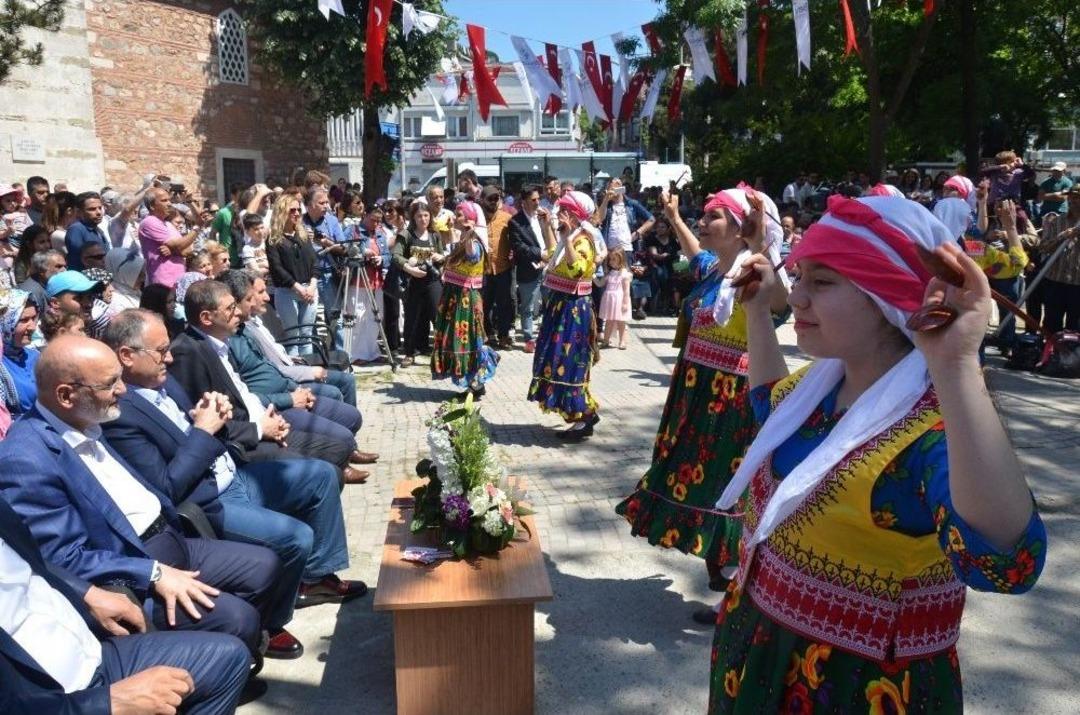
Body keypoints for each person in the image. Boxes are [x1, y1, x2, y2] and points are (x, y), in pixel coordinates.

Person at [707, 196, 1046, 712]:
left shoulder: (929, 432)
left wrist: (955, 366)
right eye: (799, 277)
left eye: (822, 283)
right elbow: (768, 414)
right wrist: (757, 310)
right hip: (757, 661)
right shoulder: (819, 391)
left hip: (854, 690)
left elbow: (1008, 564)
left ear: (885, 296)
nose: (796, 298)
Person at [101, 309, 366, 658]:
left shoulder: (162, 382)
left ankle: (315, 578)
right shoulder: (122, 415)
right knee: (294, 537)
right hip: (209, 502)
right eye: (160, 350)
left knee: (320, 475)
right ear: (127, 356)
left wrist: (214, 412)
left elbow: (198, 428)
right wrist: (202, 429)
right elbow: (166, 487)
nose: (169, 357)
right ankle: (269, 623)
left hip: (233, 472)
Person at [0, 335, 284, 656]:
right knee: (238, 619)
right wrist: (153, 574)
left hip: (170, 538)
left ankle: (228, 653)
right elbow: (62, 558)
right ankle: (205, 668)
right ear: (66, 395)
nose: (123, 390)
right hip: (132, 569)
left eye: (120, 377)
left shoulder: (87, 418)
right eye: (110, 383)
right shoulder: (25, 461)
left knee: (265, 566)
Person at [615, 187, 790, 619]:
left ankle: (735, 591)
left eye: (712, 216)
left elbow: (783, 301)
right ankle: (723, 572)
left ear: (739, 228)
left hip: (731, 404)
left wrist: (762, 242)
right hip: (694, 394)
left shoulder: (757, 273)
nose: (702, 221)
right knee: (698, 480)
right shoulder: (715, 270)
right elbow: (696, 254)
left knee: (726, 489)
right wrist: (672, 217)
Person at [0, 492, 253, 715]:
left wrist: (87, 593)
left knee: (230, 658)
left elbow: (36, 562)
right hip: (60, 698)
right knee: (236, 615)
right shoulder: (24, 457)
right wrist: (109, 703)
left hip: (91, 650)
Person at [168, 280, 366, 483]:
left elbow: (244, 391)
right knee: (325, 475)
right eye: (230, 308)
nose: (237, 313)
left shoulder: (219, 342)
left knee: (339, 450)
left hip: (265, 418)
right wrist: (261, 428)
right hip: (245, 444)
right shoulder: (188, 352)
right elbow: (210, 421)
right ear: (206, 318)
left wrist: (268, 416)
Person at [528, 191, 600, 439]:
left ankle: (582, 417)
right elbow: (551, 254)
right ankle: (584, 412)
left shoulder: (584, 240)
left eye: (563, 211)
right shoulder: (571, 237)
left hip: (573, 311)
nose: (559, 214)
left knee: (566, 363)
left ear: (573, 214)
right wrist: (548, 226)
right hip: (560, 307)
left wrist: (567, 236)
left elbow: (576, 268)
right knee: (554, 359)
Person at [242, 273, 359, 407]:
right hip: (285, 377)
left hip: (292, 364)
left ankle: (348, 421)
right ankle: (342, 421)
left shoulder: (257, 319)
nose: (268, 297)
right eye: (261, 292)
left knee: (348, 379)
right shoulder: (247, 330)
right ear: (246, 297)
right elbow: (272, 369)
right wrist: (309, 372)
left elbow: (313, 267)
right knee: (334, 391)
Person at [431, 201, 498, 397]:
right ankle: (475, 383)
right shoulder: (463, 241)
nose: (454, 217)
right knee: (457, 340)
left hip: (465, 300)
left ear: (470, 220)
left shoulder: (474, 243)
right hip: (455, 297)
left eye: (459, 215)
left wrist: (468, 236)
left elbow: (472, 256)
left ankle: (476, 383)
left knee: (467, 341)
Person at [265, 192, 319, 357]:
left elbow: (314, 262)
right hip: (288, 291)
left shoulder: (303, 235)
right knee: (293, 336)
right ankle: (296, 373)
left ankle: (310, 371)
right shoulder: (273, 239)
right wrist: (297, 288)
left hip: (309, 290)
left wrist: (312, 285)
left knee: (307, 335)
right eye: (292, 210)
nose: (296, 213)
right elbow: (277, 268)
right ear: (282, 213)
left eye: (298, 210)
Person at [394, 200, 445, 365]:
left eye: (426, 215)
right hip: (413, 282)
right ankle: (409, 353)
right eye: (419, 216)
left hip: (432, 281)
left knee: (438, 317)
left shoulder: (435, 236)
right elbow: (396, 256)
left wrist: (440, 258)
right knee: (411, 318)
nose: (423, 219)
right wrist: (410, 269)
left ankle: (442, 352)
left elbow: (442, 257)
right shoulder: (407, 235)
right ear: (413, 218)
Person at [508, 185, 549, 353]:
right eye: (533, 200)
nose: (537, 203)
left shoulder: (542, 217)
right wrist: (541, 254)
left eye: (538, 199)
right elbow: (519, 247)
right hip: (529, 270)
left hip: (549, 268)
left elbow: (552, 238)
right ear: (523, 202)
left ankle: (547, 335)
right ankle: (529, 338)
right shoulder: (515, 222)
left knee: (551, 303)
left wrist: (548, 224)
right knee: (528, 307)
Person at [1039, 186, 1080, 332]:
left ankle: (1072, 355)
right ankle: (1050, 353)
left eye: (1077, 197)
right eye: (1071, 197)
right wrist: (1062, 236)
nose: (1073, 201)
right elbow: (1043, 247)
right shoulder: (1058, 221)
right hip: (1056, 281)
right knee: (1051, 324)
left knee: (1075, 328)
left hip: (1077, 284)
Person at [480, 185, 514, 348]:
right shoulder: (477, 218)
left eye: (496, 198)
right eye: (490, 199)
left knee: (504, 304)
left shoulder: (507, 218)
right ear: (482, 200)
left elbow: (516, 239)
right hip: (483, 270)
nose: (494, 202)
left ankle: (504, 335)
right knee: (484, 305)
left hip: (503, 268)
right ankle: (488, 333)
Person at [139, 188, 193, 289]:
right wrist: (197, 229)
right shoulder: (150, 222)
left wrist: (173, 250)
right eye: (164, 201)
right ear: (152, 206)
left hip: (179, 282)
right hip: (163, 283)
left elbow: (188, 249)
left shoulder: (168, 224)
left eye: (169, 200)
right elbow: (180, 245)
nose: (169, 204)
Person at [0, 290, 41, 416]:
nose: (33, 327)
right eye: (24, 320)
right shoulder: (2, 366)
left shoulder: (36, 356)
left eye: (34, 318)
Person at [65, 192, 109, 271]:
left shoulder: (98, 230)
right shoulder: (76, 230)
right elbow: (77, 261)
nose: (98, 212)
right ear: (79, 212)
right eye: (92, 209)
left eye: (100, 208)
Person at [596, 248, 631, 349]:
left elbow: (626, 291)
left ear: (621, 260)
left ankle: (622, 341)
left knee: (621, 321)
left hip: (619, 301)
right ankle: (606, 340)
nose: (611, 262)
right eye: (610, 259)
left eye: (614, 259)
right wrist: (592, 276)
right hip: (610, 301)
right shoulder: (610, 273)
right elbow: (600, 283)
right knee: (609, 321)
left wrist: (625, 303)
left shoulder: (624, 274)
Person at [18, 246, 65, 314]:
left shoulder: (50, 285)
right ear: (41, 270)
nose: (64, 270)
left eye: (65, 266)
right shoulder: (31, 294)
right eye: (59, 266)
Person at [104, 246, 146, 314]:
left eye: (143, 274)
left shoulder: (134, 291)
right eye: (139, 275)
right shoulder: (117, 303)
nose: (143, 279)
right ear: (124, 275)